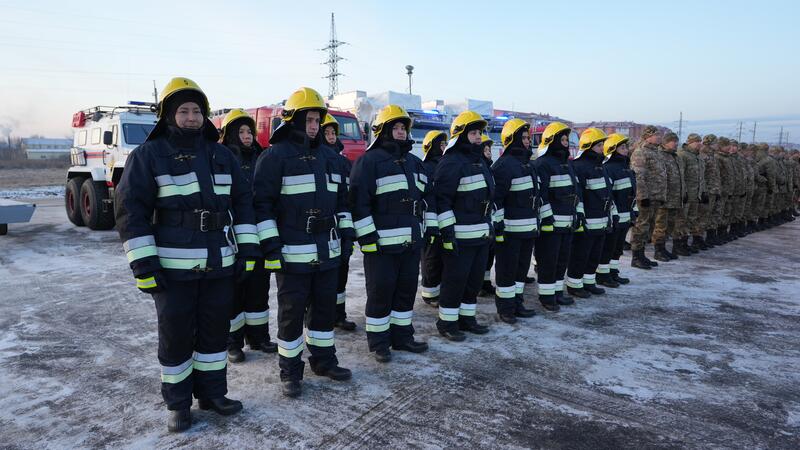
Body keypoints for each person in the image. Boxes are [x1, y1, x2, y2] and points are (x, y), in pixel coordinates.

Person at [116, 77, 257, 432]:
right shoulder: (148, 156)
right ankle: (178, 404)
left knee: (214, 332)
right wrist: (143, 264)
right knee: (176, 335)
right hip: (172, 269)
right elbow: (131, 211)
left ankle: (212, 394)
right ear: (168, 115)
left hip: (218, 264)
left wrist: (248, 249)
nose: (192, 117)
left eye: (197, 111)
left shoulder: (222, 154)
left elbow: (242, 203)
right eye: (184, 111)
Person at [252, 87, 352, 398]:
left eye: (316, 120)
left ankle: (323, 361)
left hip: (328, 251)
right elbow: (262, 206)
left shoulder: (331, 158)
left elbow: (343, 203)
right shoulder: (273, 158)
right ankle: (290, 372)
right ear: (292, 120)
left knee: (323, 312)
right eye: (307, 119)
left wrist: (346, 238)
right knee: (292, 314)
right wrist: (271, 247)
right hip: (291, 254)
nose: (313, 125)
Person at [349, 105, 431, 362]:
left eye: (403, 128)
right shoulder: (368, 162)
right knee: (381, 291)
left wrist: (423, 233)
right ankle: (379, 342)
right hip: (381, 244)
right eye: (394, 127)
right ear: (382, 130)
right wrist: (367, 239)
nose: (400, 132)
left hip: (410, 242)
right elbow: (359, 203)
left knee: (406, 290)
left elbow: (425, 200)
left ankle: (402, 336)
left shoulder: (415, 163)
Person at [218, 109, 278, 364]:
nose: (246, 136)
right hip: (232, 236)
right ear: (230, 134)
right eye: (240, 132)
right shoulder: (221, 159)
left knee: (259, 288)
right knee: (233, 291)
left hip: (260, 232)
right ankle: (233, 342)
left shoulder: (262, 157)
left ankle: (259, 337)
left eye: (249, 132)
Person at [434, 111, 494, 340]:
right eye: (473, 133)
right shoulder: (450, 162)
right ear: (460, 135)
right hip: (460, 236)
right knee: (455, 281)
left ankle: (467, 319)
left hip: (480, 235)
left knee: (473, 280)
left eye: (480, 133)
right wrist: (448, 234)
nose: (478, 137)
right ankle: (447, 323)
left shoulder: (479, 161)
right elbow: (442, 202)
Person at [490, 119, 539, 323]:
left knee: (521, 270)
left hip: (527, 229)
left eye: (528, 138)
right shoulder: (503, 166)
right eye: (524, 138)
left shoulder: (527, 164)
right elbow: (497, 200)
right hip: (510, 232)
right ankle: (505, 308)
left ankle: (517, 303)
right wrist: (499, 227)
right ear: (512, 140)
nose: (528, 141)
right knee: (507, 272)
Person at [532, 122, 579, 311]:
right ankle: (546, 295)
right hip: (551, 224)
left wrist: (577, 213)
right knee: (548, 260)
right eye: (563, 139)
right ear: (552, 141)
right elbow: (541, 194)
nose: (566, 143)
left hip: (567, 221)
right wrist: (547, 217)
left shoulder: (567, 163)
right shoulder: (543, 164)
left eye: (567, 139)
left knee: (562, 259)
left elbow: (575, 190)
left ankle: (558, 292)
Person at [565, 128, 614, 297]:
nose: (602, 148)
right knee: (580, 254)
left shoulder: (600, 166)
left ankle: (589, 282)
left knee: (594, 255)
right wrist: (580, 217)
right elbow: (579, 195)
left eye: (603, 145)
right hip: (587, 220)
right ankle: (574, 284)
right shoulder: (579, 167)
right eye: (599, 145)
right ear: (588, 146)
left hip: (601, 220)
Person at [320, 113, 357, 331]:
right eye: (327, 133)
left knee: (341, 274)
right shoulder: (317, 159)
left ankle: (339, 314)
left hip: (341, 225)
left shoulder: (343, 162)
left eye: (334, 133)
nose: (332, 136)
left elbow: (349, 196)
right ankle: (317, 315)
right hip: (323, 227)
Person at [597, 133, 636, 283]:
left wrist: (634, 210)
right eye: (622, 147)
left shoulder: (626, 168)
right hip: (615, 216)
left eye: (626, 147)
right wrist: (613, 214)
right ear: (613, 149)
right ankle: (603, 274)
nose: (626, 150)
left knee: (618, 247)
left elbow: (633, 192)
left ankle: (613, 271)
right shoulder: (608, 168)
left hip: (626, 215)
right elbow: (609, 194)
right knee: (609, 247)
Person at [629, 126, 667, 268]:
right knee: (641, 226)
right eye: (656, 135)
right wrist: (642, 196)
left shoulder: (657, 153)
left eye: (659, 135)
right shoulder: (641, 152)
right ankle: (636, 257)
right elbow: (638, 175)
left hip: (656, 196)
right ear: (647, 137)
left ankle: (642, 255)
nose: (659, 137)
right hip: (645, 197)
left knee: (649, 226)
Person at [419, 130, 448, 307]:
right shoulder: (426, 167)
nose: (444, 147)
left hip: (444, 216)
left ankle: (438, 289)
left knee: (441, 256)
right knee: (431, 256)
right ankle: (429, 293)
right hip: (430, 217)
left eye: (445, 144)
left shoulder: (446, 164)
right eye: (441, 144)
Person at [651, 132, 684, 262]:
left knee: (670, 225)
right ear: (664, 143)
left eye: (676, 141)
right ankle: (658, 250)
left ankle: (664, 248)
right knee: (660, 225)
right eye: (672, 141)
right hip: (663, 198)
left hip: (675, 198)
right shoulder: (660, 156)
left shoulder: (676, 157)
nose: (675, 143)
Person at [675, 133, 707, 254]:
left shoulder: (698, 157)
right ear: (689, 143)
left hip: (696, 195)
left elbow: (701, 177)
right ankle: (677, 245)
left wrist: (703, 191)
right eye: (696, 141)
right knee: (681, 220)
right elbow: (680, 176)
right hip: (686, 194)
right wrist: (684, 192)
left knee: (691, 219)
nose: (699, 144)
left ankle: (685, 243)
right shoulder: (683, 155)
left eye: (700, 141)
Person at [480, 135, 497, 297]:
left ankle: (485, 282)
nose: (489, 153)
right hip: (482, 220)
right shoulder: (481, 168)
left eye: (489, 150)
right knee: (482, 256)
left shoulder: (489, 169)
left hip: (489, 218)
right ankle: (479, 284)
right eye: (485, 150)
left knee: (489, 255)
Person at [698, 135, 721, 247]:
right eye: (716, 143)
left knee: (711, 215)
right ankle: (698, 239)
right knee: (703, 216)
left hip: (714, 190)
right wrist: (704, 192)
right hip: (707, 191)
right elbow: (702, 176)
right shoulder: (703, 156)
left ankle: (710, 237)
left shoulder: (713, 156)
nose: (718, 145)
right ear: (710, 144)